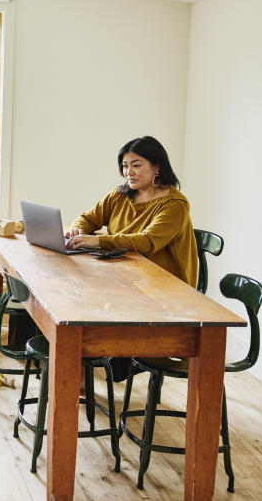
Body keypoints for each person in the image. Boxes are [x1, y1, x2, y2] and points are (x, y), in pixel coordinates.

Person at [65, 135, 197, 379]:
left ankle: (83, 370)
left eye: (136, 165)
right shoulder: (121, 195)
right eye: (125, 166)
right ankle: (78, 372)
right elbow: (88, 217)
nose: (129, 172)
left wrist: (100, 240)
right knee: (72, 298)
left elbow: (147, 241)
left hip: (162, 293)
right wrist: (78, 228)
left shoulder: (175, 203)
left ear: (157, 167)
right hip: (125, 280)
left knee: (82, 305)